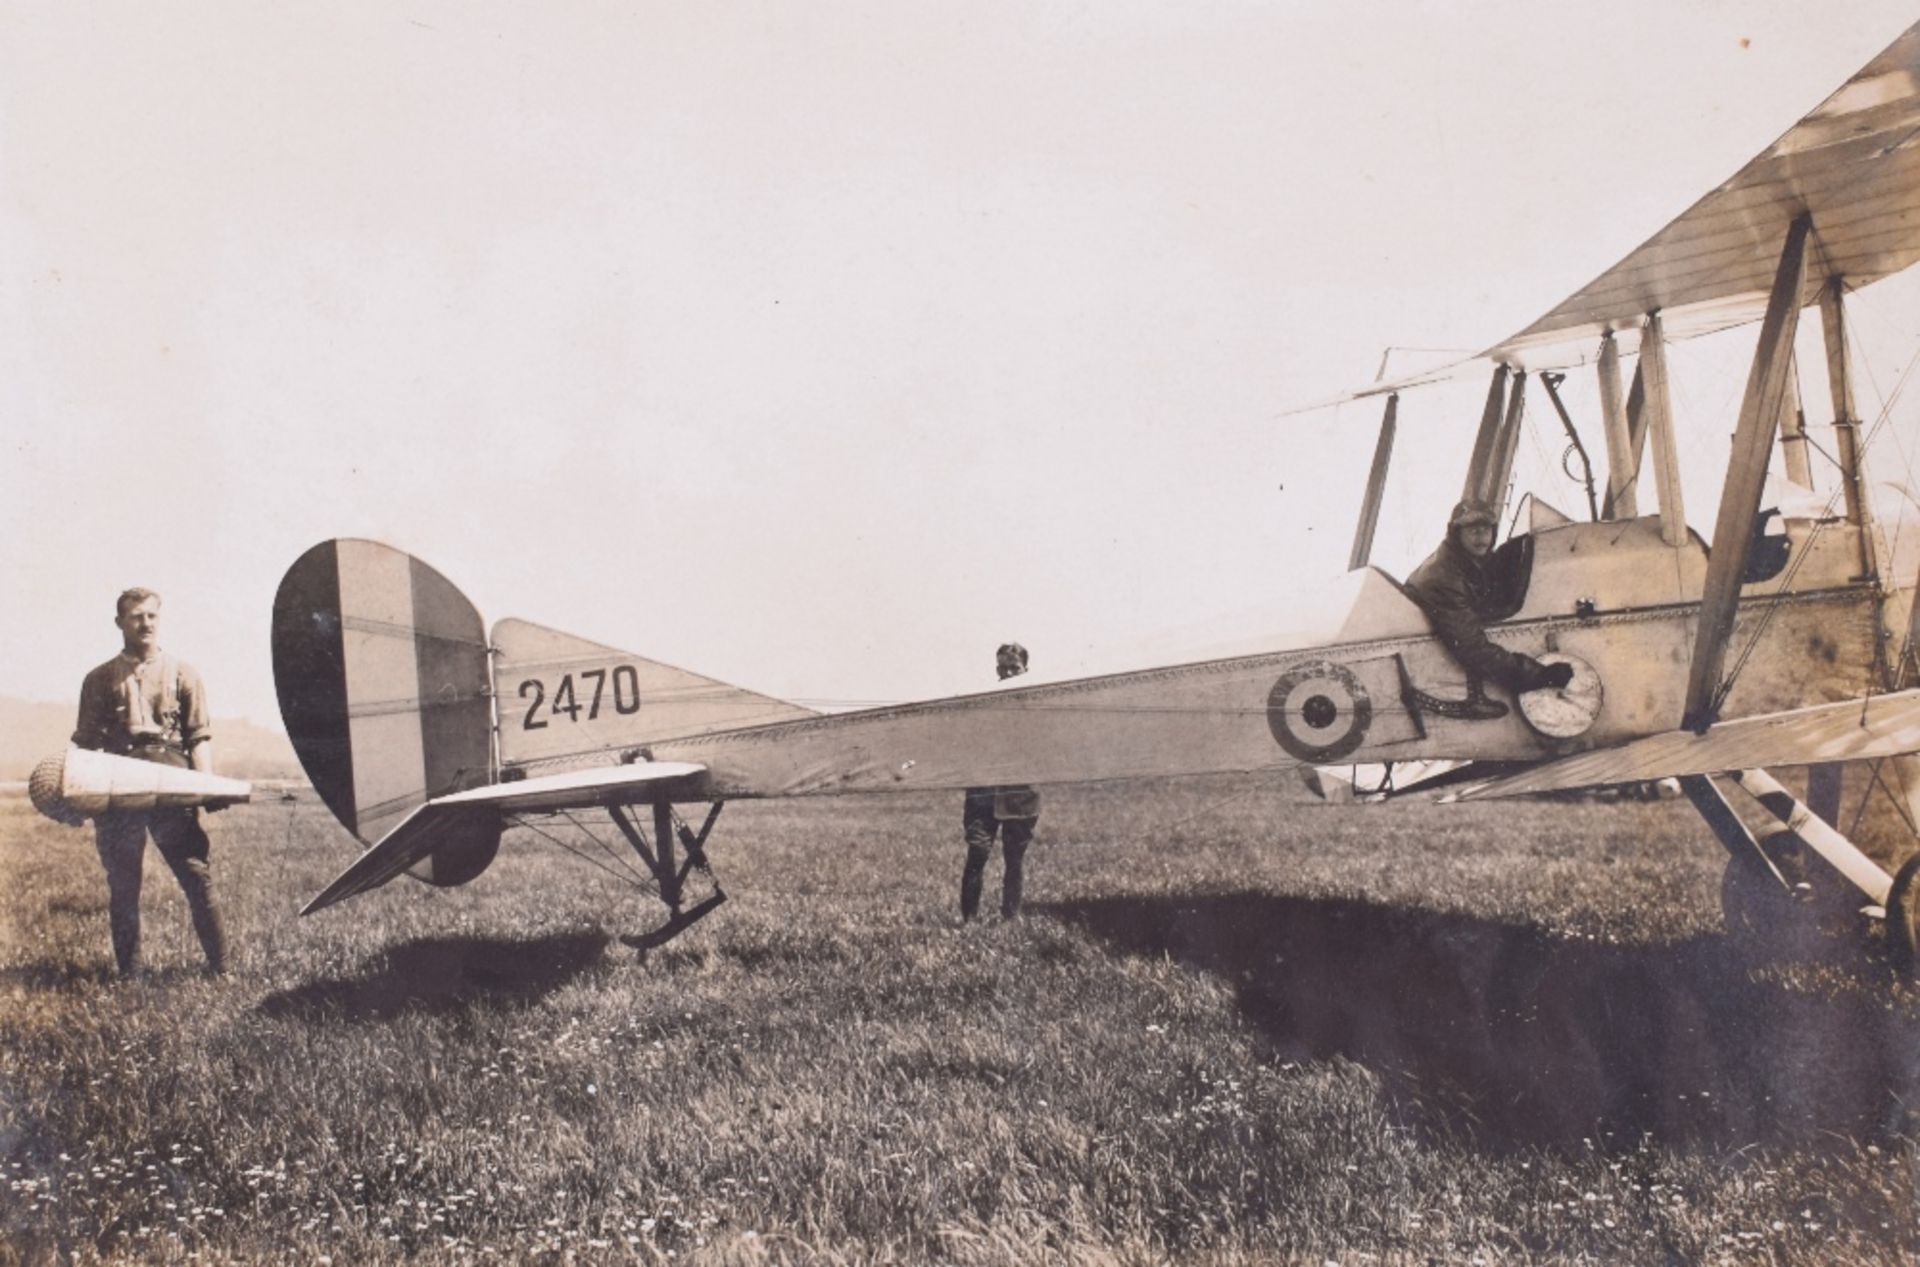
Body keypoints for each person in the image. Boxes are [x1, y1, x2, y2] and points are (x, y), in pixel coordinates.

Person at [73, 588, 227, 976]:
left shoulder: (183, 673)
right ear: (120, 623)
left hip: (171, 781)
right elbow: (87, 746)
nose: (145, 623)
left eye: (152, 616)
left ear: (160, 620)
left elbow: (199, 737)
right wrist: (80, 796)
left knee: (195, 874)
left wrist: (207, 786)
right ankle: (130, 974)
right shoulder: (98, 679)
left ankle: (222, 969)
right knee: (124, 883)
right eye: (136, 616)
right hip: (118, 787)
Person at [1404, 500, 1572, 707]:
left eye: (1486, 529)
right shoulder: (1444, 578)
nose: (1481, 536)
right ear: (1456, 533)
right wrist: (1539, 676)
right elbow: (1472, 648)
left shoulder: (1464, 560)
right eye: (1472, 529)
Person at [960, 643, 1040, 922]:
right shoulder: (983, 704)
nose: (1007, 673)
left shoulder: (1039, 706)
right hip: (983, 794)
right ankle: (968, 919)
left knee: (1014, 859)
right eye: (1002, 668)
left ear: (1026, 670)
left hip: (1021, 794)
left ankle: (1010, 917)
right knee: (977, 854)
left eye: (1014, 668)